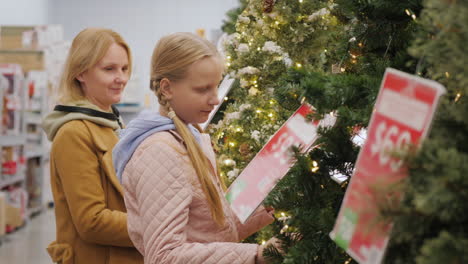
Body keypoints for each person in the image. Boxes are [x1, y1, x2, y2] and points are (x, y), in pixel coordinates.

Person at [112, 32, 281, 264]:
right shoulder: (160, 152)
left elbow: (209, 231)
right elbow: (165, 256)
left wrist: (267, 206)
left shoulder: (190, 135)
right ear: (167, 88)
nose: (215, 100)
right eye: (203, 89)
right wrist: (256, 255)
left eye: (216, 87)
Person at [42, 28, 143, 264]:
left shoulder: (110, 124)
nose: (122, 78)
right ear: (80, 73)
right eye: (109, 69)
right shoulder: (74, 133)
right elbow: (92, 221)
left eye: (124, 68)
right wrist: (157, 226)